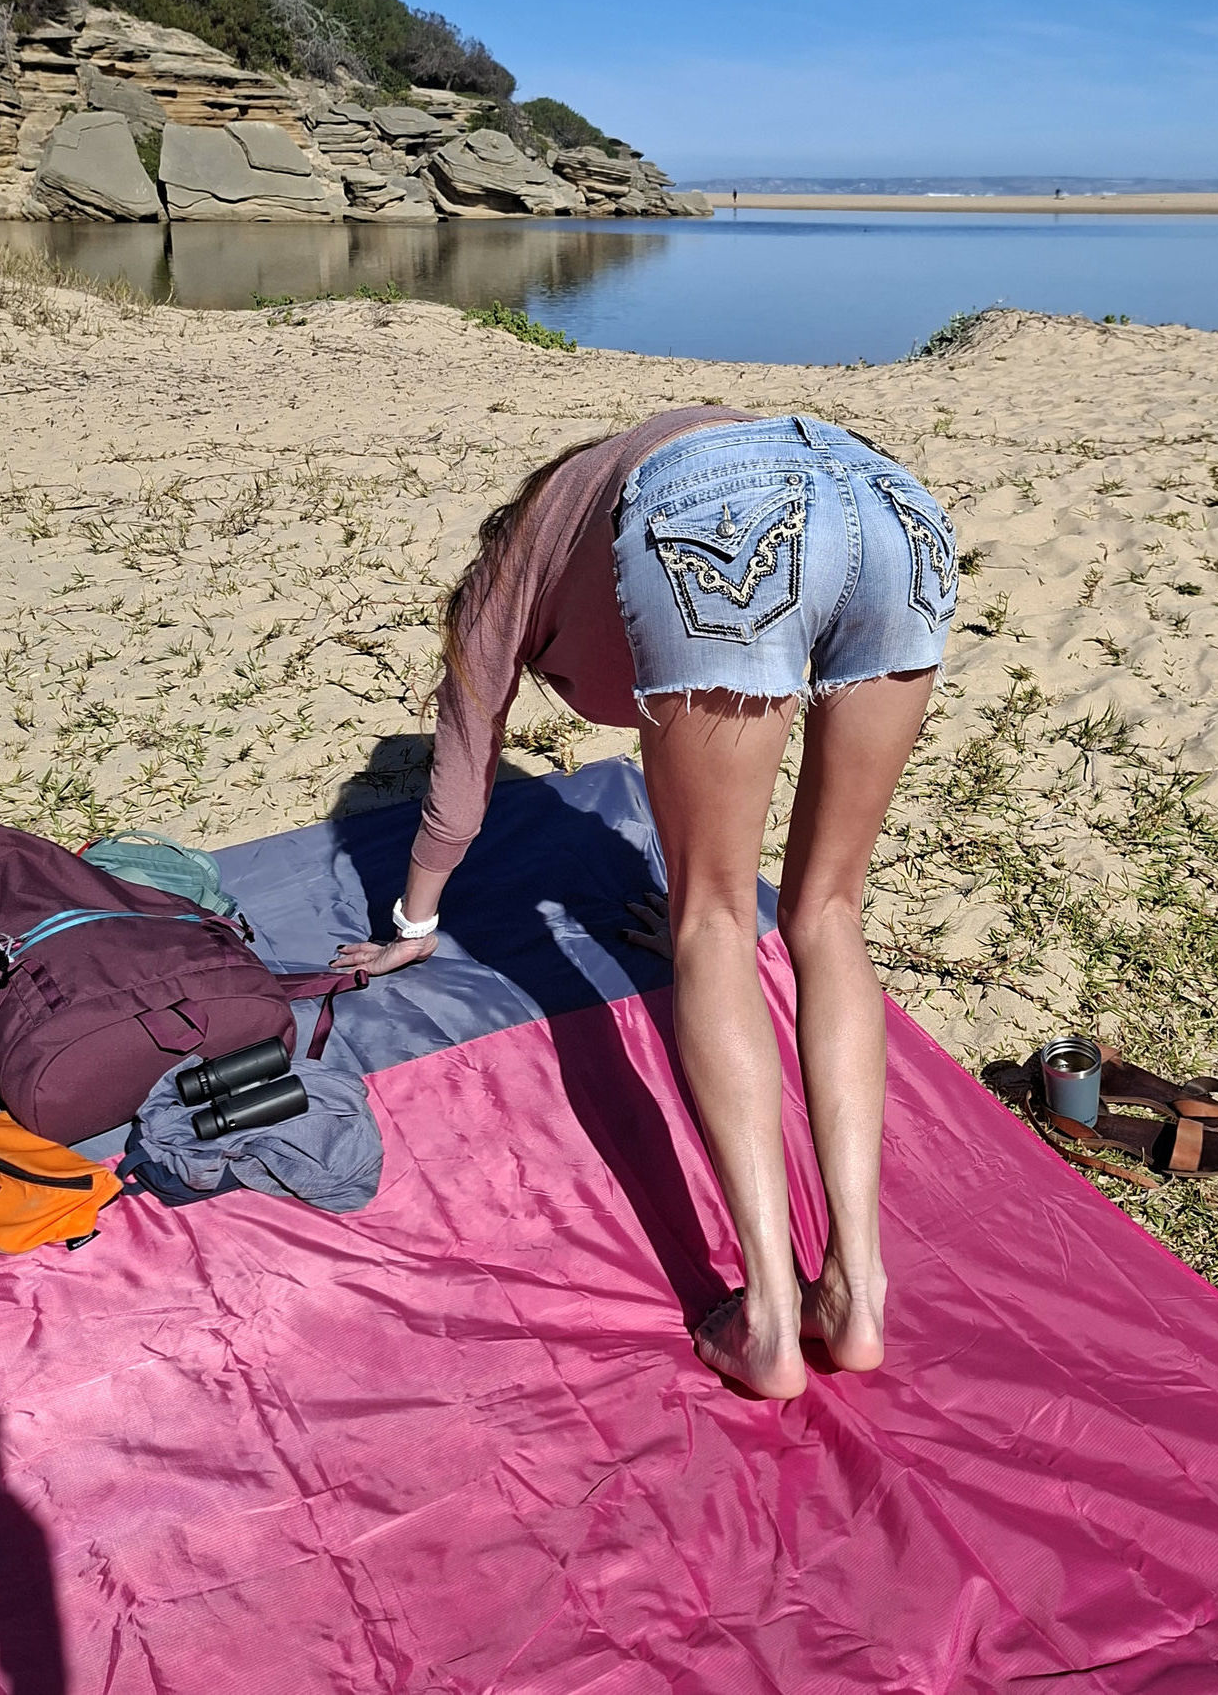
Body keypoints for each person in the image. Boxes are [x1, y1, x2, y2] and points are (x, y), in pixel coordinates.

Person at [334, 408, 957, 1399]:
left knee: (712, 920)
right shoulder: (598, 484)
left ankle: (767, 1318)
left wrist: (414, 923)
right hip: (891, 500)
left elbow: (462, 757)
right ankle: (857, 1289)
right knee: (831, 910)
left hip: (720, 508)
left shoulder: (509, 565)